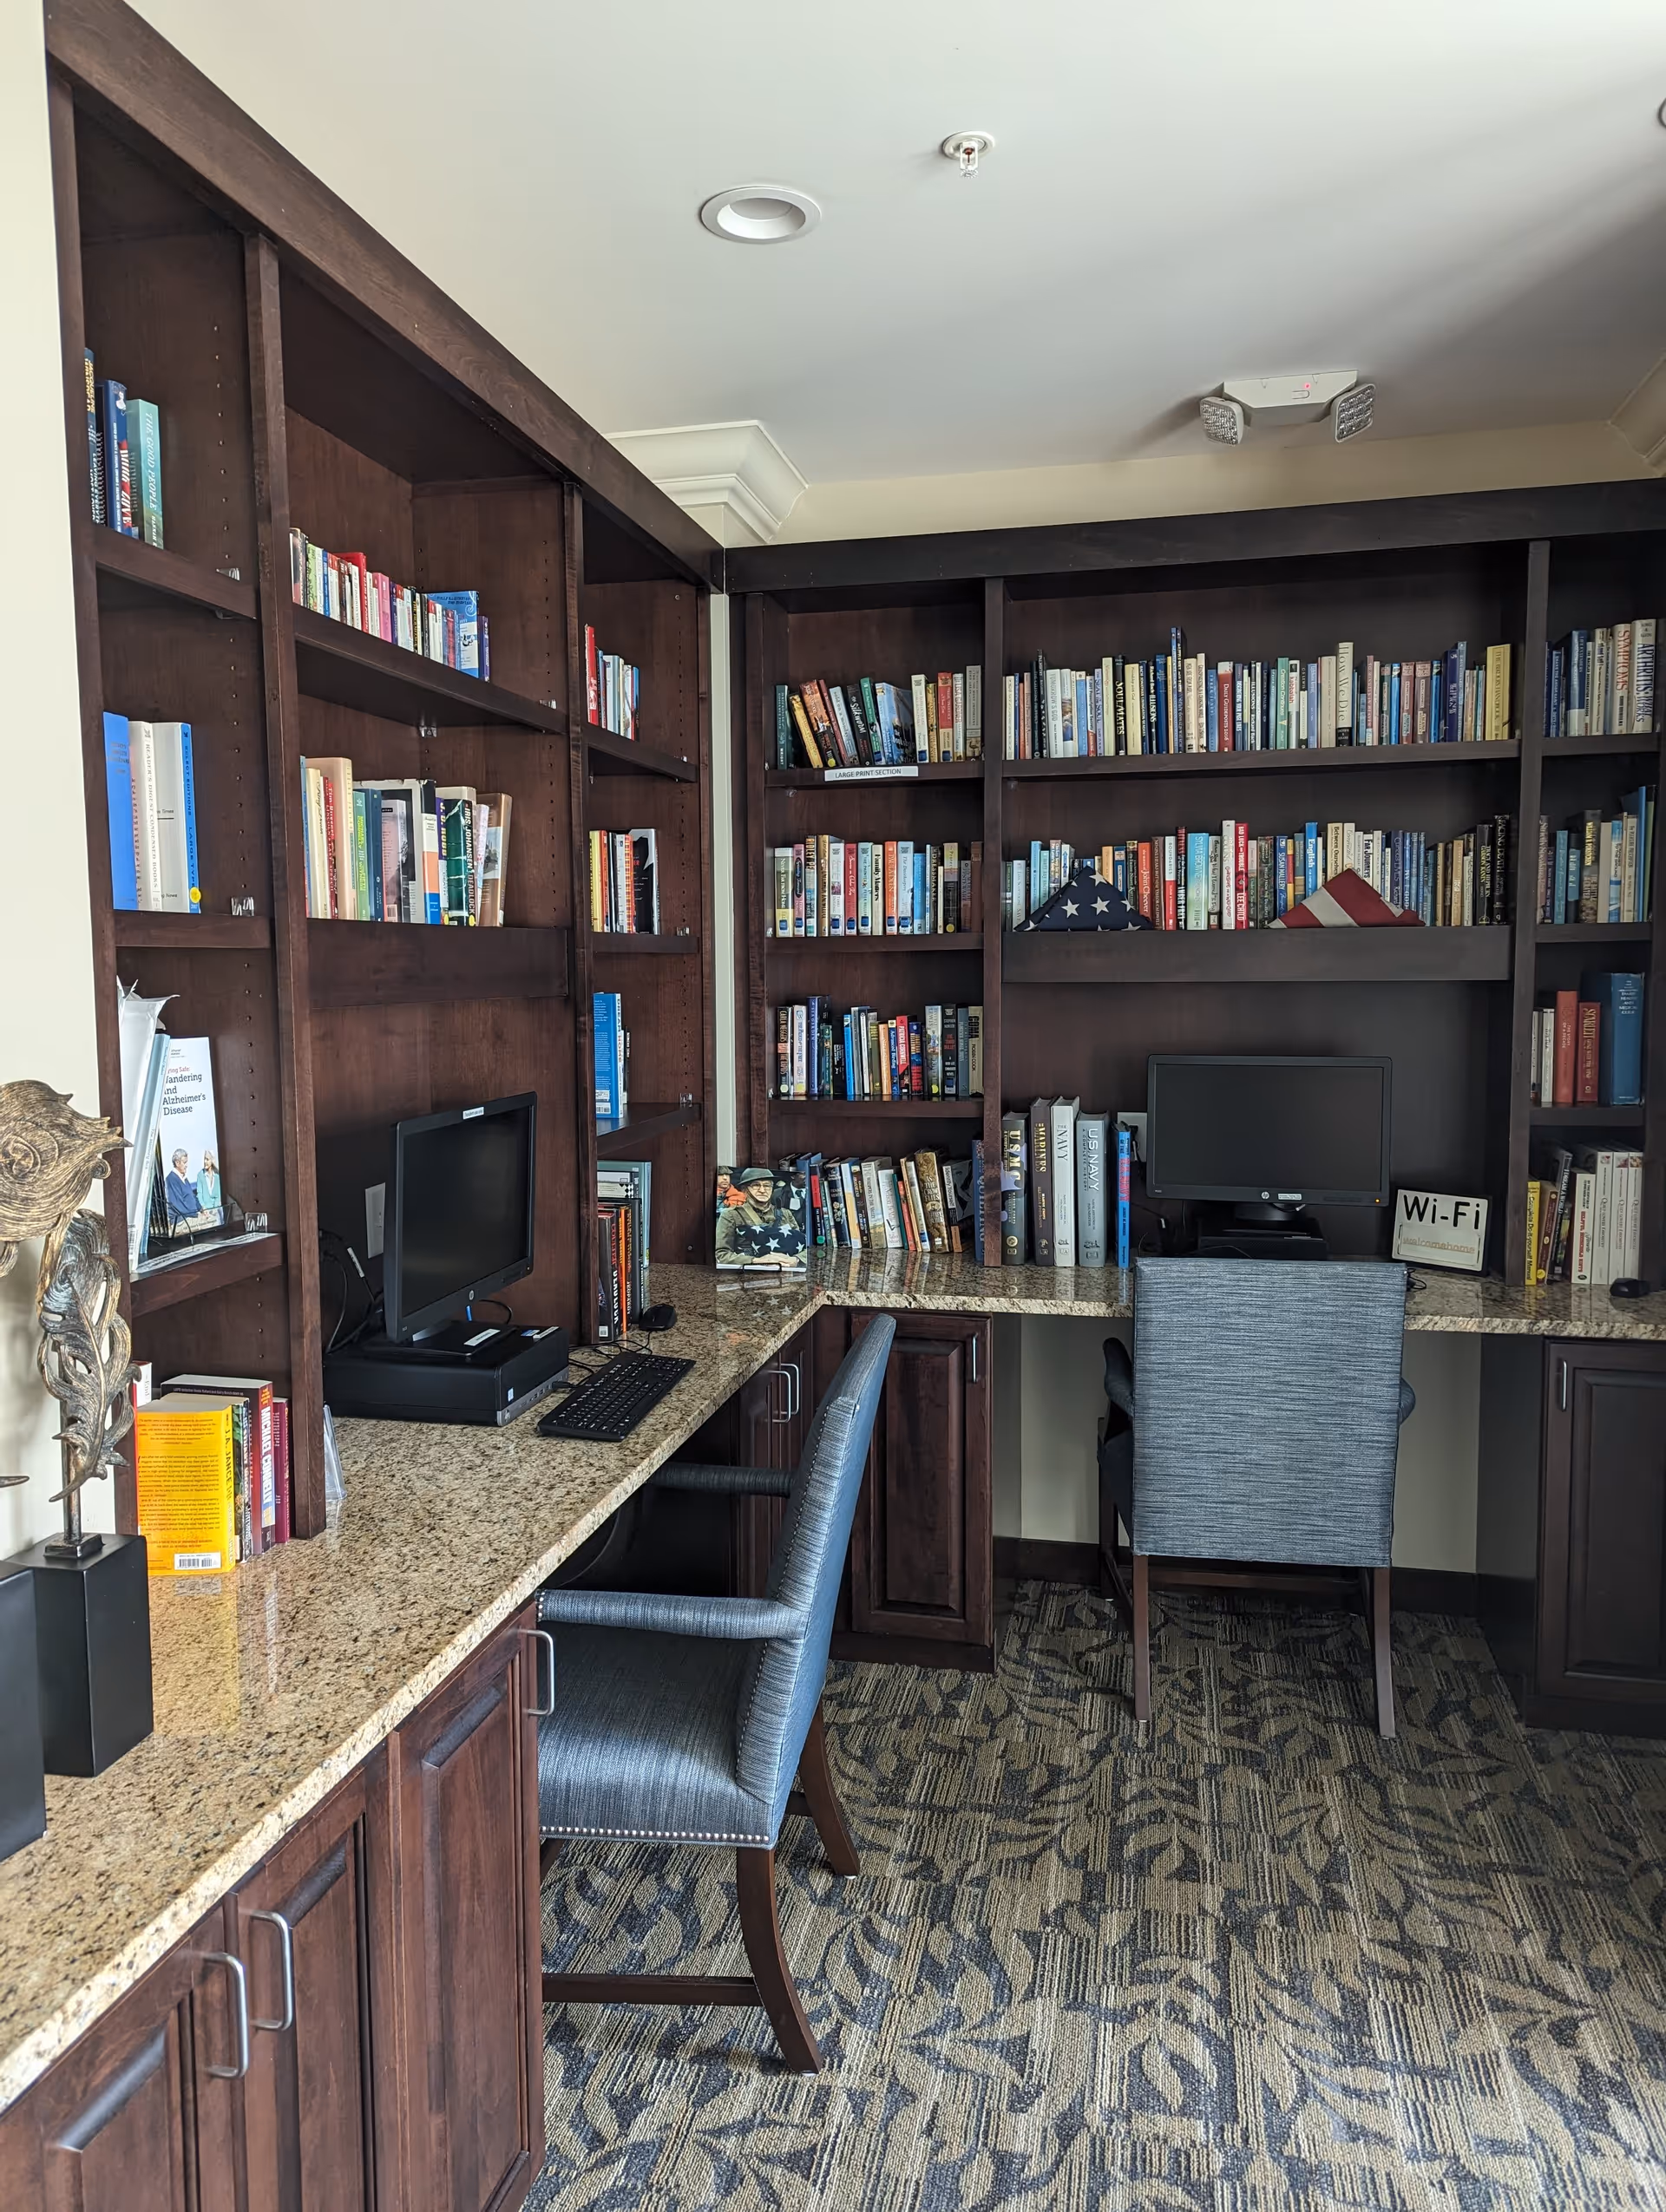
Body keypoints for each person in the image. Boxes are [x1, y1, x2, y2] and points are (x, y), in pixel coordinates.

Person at [715, 1166, 804, 1263]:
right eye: (756, 1185)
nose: (762, 1190)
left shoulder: (786, 1214)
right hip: (747, 1274)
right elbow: (722, 1254)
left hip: (784, 1272)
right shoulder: (731, 1215)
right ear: (744, 1190)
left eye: (767, 1185)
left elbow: (804, 1246)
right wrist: (754, 1261)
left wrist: (796, 1259)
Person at [163, 1147, 198, 1227]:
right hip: (180, 1221)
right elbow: (178, 1204)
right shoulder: (171, 1179)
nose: (187, 1165)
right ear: (177, 1163)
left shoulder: (184, 1179)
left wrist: (202, 1209)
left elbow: (192, 1196)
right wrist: (195, 1215)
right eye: (184, 1162)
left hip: (189, 1217)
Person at [195, 1148, 222, 1221]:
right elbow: (199, 1194)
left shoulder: (217, 1176)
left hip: (216, 1208)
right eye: (204, 1159)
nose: (205, 1161)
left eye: (207, 1159)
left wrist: (215, 1209)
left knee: (220, 1215)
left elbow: (218, 1195)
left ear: (212, 1160)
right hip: (205, 1210)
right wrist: (204, 1208)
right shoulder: (200, 1175)